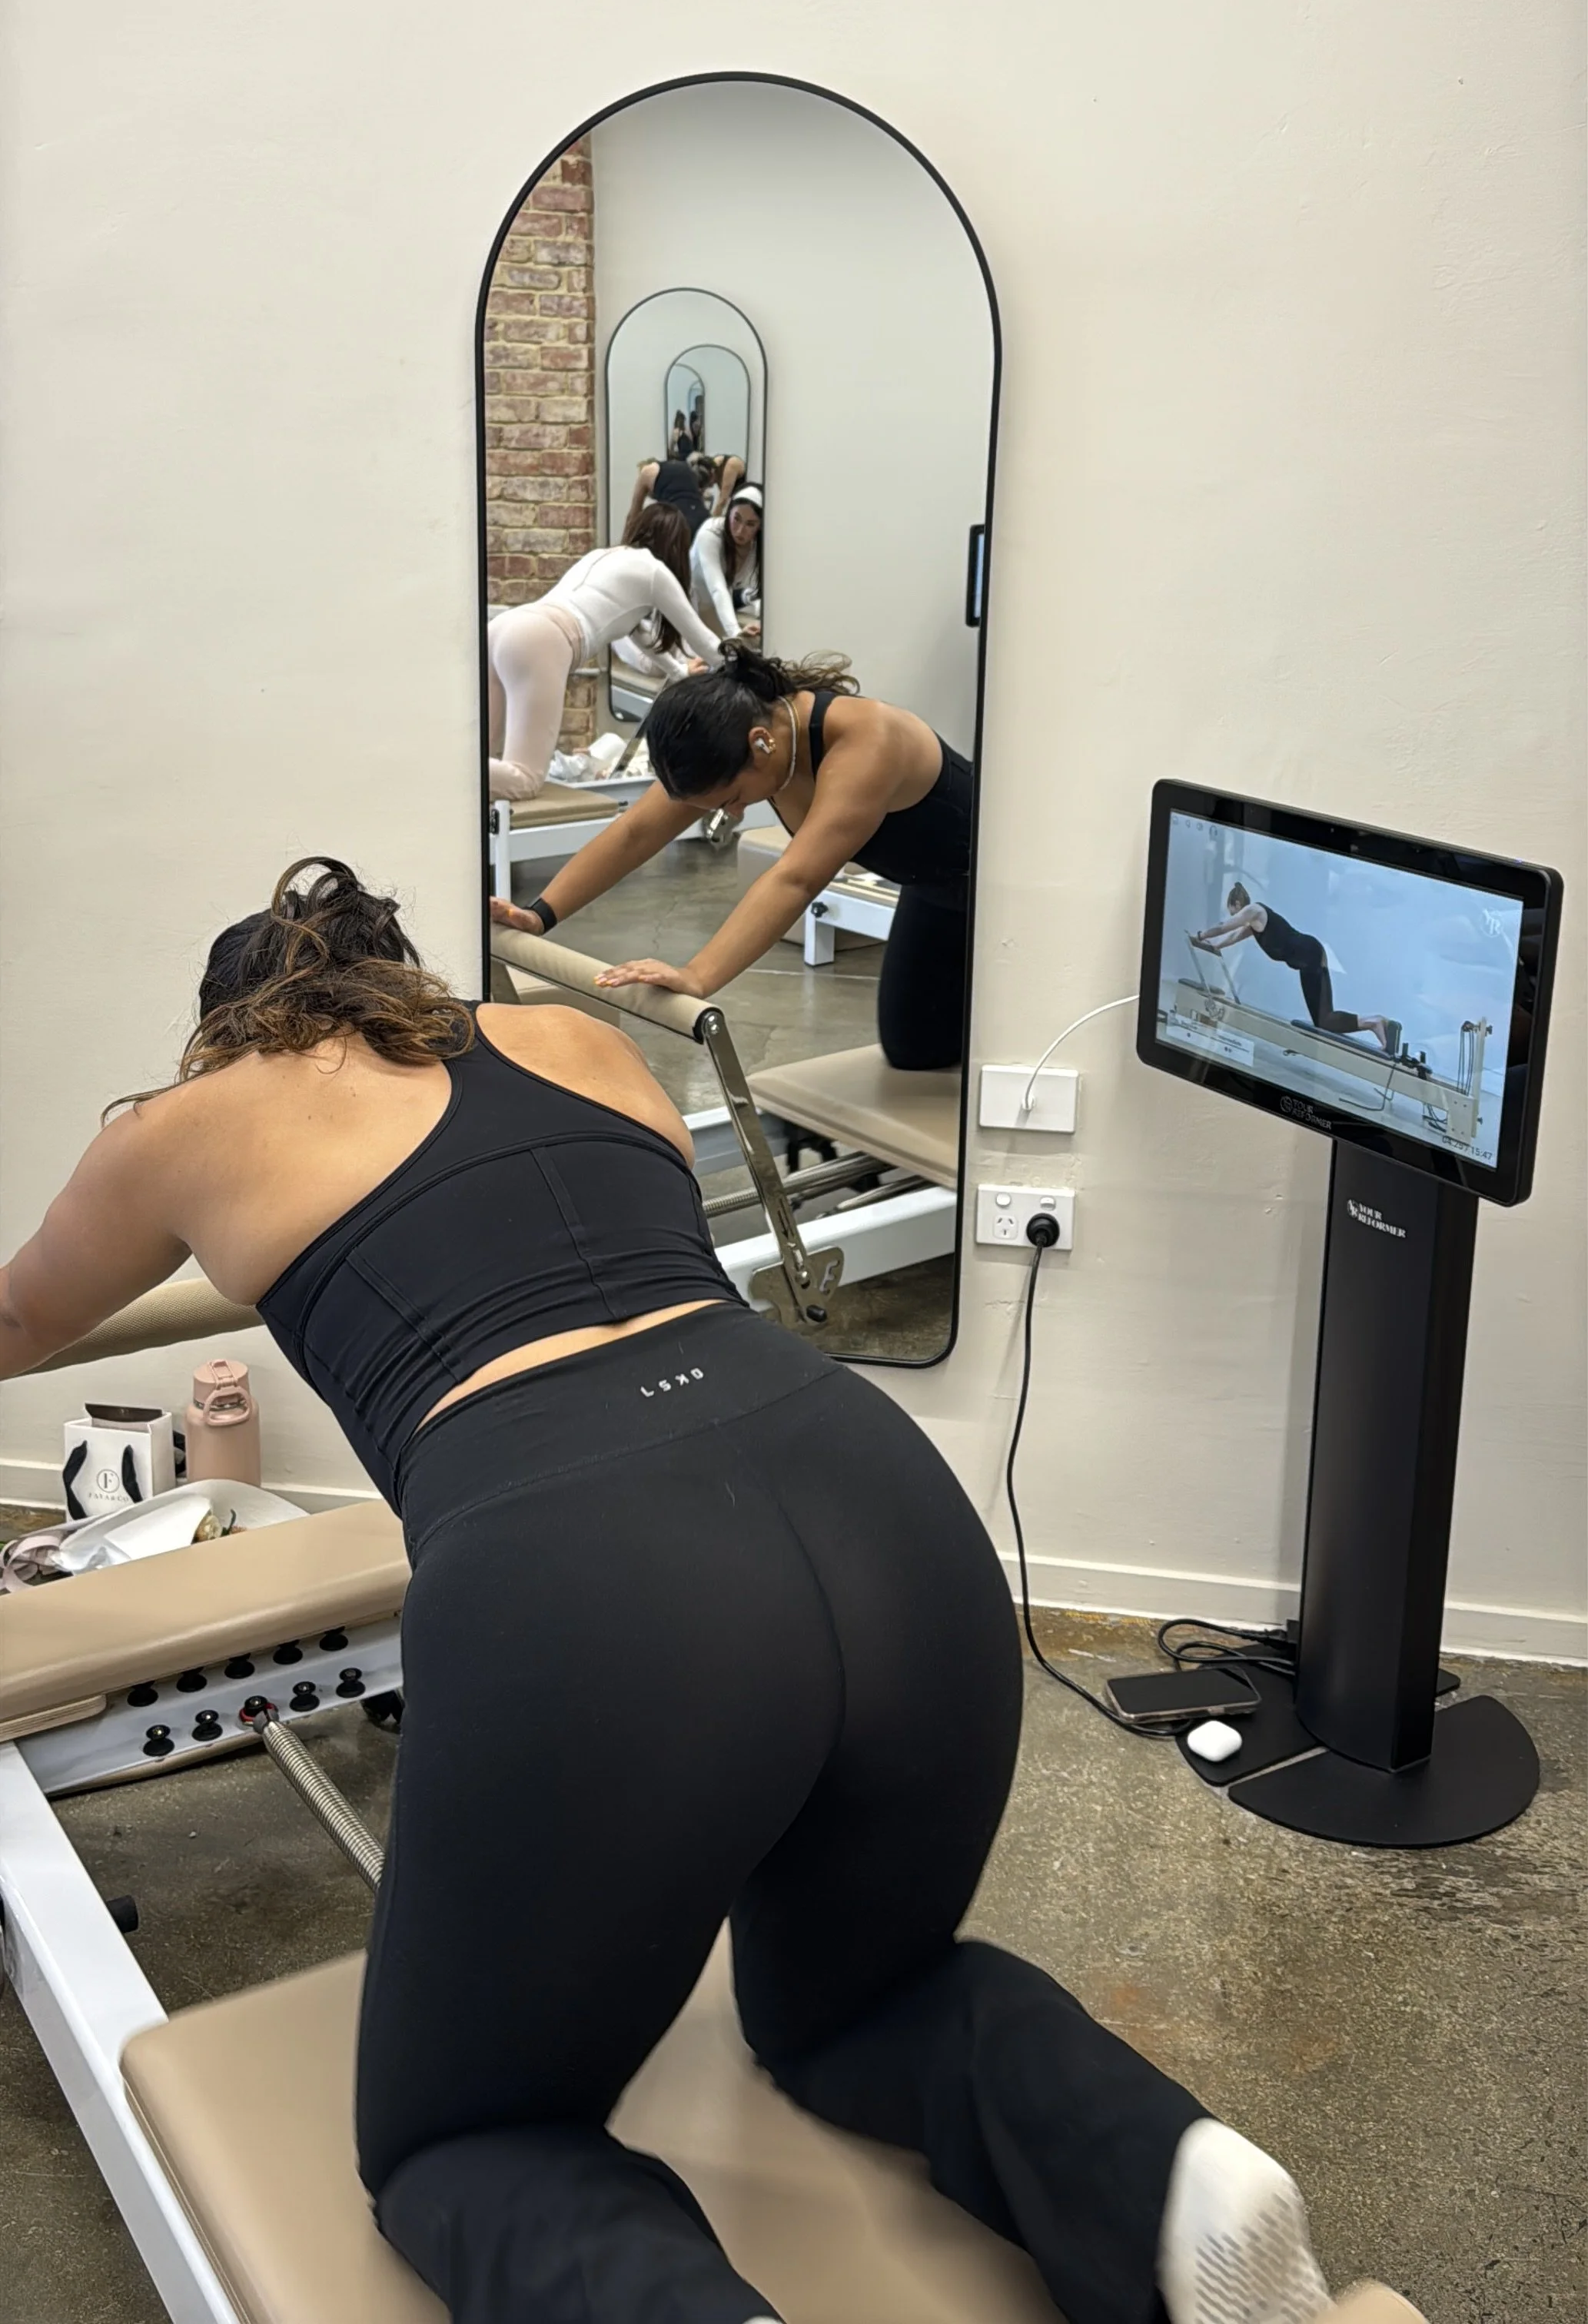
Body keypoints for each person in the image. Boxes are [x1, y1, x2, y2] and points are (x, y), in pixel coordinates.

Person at [0, 856, 1408, 2324]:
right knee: (860, 2000)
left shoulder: (184, 1125)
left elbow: (24, 1311)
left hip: (594, 1576)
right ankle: (1176, 2178)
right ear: (401, 979)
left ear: (229, 1031)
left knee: (465, 2139)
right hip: (881, 1499)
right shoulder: (569, 1040)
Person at [495, 644, 972, 1072]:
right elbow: (635, 832)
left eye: (733, 798)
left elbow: (796, 879)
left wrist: (697, 976)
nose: (734, 812)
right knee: (915, 1051)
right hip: (932, 888)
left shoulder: (868, 739)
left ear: (760, 743)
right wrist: (540, 915)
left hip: (1004, 891)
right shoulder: (731, 738)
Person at [486, 508, 722, 804]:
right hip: (540, 640)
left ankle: (435, 766)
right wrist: (752, 671)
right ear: (677, 546)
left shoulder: (605, 556)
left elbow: (637, 630)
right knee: (525, 779)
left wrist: (678, 672)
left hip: (503, 628)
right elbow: (704, 641)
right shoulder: (654, 572)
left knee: (478, 758)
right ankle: (431, 768)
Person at [1192, 885, 1399, 1055]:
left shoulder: (1254, 910)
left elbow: (1223, 927)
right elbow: (1231, 936)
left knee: (1324, 1020)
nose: (1232, 916)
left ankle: (1374, 1022)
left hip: (1308, 954)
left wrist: (1201, 935)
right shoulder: (1253, 925)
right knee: (1324, 1020)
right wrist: (1214, 946)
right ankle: (1374, 1022)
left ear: (1237, 904)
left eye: (1232, 911)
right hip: (1307, 959)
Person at [691, 480, 763, 642]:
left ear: (760, 526)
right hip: (688, 607)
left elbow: (764, 591)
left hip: (718, 610)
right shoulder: (710, 533)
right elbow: (718, 588)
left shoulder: (758, 546)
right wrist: (735, 632)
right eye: (736, 519)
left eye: (750, 524)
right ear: (729, 512)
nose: (740, 530)